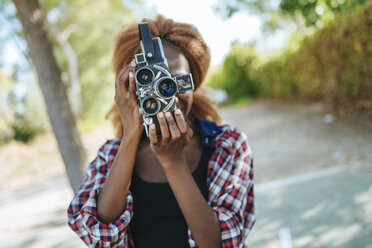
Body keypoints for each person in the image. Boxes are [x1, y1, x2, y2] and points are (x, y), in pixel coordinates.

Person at [67, 15, 255, 248]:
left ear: (192, 83)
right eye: (150, 83)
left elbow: (221, 243)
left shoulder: (227, 143)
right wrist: (130, 138)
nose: (166, 94)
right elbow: (99, 234)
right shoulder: (111, 155)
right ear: (129, 89)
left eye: (173, 82)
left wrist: (172, 162)